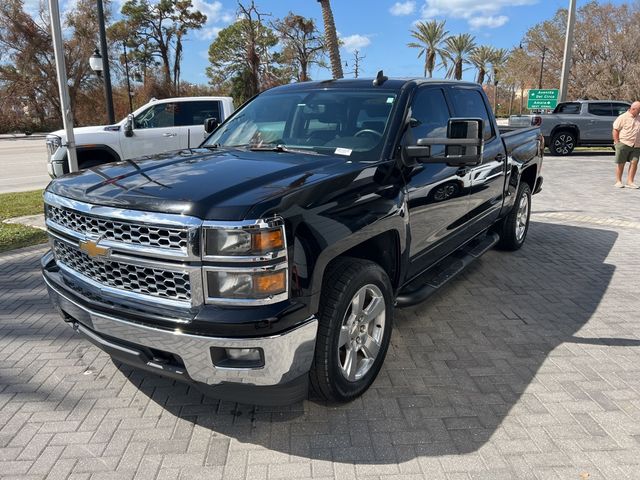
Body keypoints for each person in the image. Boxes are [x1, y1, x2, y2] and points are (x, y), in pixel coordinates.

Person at [612, 101, 640, 188]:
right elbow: (615, 129)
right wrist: (617, 142)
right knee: (621, 163)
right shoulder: (623, 117)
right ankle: (618, 181)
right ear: (633, 109)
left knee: (634, 162)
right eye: (639, 109)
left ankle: (630, 182)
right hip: (624, 143)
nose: (639, 111)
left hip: (636, 145)